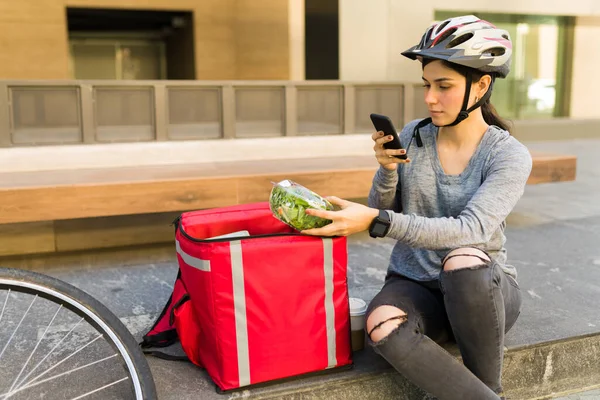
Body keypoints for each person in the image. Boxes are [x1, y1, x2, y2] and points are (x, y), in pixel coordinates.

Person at [302, 15, 532, 400]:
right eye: (427, 85)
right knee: (381, 323)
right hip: (416, 286)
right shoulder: (413, 135)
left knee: (461, 259)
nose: (430, 98)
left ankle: (491, 388)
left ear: (482, 85)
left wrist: (378, 219)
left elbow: (470, 230)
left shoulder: (507, 154)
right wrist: (388, 169)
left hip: (482, 295)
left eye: (444, 86)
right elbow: (382, 206)